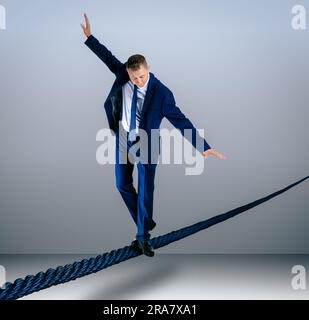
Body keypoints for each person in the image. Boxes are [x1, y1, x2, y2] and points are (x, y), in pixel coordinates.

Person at [81, 13, 226, 257]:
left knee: (146, 188)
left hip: (147, 143)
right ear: (128, 72)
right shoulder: (122, 75)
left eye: (142, 76)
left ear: (148, 69)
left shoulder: (161, 93)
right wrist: (89, 37)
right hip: (124, 138)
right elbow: (106, 57)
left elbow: (180, 120)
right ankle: (145, 220)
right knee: (122, 184)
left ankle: (143, 238)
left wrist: (203, 146)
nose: (138, 81)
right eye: (134, 77)